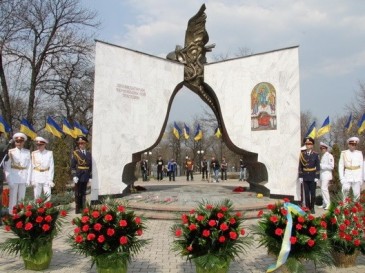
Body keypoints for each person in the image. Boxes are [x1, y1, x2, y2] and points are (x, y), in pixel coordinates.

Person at [4, 132, 31, 215]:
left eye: (21, 141)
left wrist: (28, 179)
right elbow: (7, 167)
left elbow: (29, 166)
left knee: (21, 198)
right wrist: (9, 180)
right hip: (13, 178)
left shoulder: (27, 152)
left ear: (23, 142)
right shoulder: (10, 152)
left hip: (23, 177)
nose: (19, 143)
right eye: (17, 141)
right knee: (12, 198)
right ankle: (12, 215)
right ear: (15, 142)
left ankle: (21, 214)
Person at [298, 137, 320, 214]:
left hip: (312, 176)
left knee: (313, 194)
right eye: (306, 144)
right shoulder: (302, 154)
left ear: (312, 145)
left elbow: (318, 166)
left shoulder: (315, 155)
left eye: (309, 144)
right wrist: (300, 176)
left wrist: (317, 176)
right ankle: (307, 208)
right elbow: (300, 166)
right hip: (305, 176)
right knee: (306, 193)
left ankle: (312, 207)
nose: (308, 145)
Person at [71, 135, 92, 214]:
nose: (81, 145)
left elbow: (90, 166)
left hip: (86, 174)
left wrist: (90, 176)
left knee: (84, 192)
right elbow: (72, 166)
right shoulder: (75, 153)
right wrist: (74, 176)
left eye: (82, 143)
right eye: (79, 144)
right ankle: (78, 209)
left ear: (85, 143)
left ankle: (84, 208)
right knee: (78, 192)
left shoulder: (89, 154)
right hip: (78, 175)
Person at [338, 136, 364, 200]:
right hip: (347, 176)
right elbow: (341, 166)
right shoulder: (344, 153)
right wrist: (341, 178)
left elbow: (362, 167)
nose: (353, 146)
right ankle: (344, 208)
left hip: (357, 176)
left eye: (355, 145)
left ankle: (356, 209)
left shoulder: (359, 153)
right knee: (345, 194)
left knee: (357, 195)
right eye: (352, 144)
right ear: (349, 145)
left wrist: (361, 179)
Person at [31, 136, 55, 201]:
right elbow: (32, 167)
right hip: (37, 175)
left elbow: (51, 167)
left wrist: (50, 179)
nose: (39, 146)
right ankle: (37, 210)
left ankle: (48, 210)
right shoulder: (33, 153)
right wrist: (32, 179)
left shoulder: (49, 153)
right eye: (37, 145)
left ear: (44, 144)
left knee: (48, 196)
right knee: (36, 196)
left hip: (46, 175)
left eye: (41, 145)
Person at [319, 142, 334, 209]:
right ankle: (324, 203)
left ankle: (328, 203)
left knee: (324, 188)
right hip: (322, 175)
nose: (322, 149)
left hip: (327, 174)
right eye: (321, 148)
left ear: (326, 149)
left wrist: (322, 166)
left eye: (323, 148)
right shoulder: (323, 156)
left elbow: (331, 166)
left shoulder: (329, 156)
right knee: (322, 189)